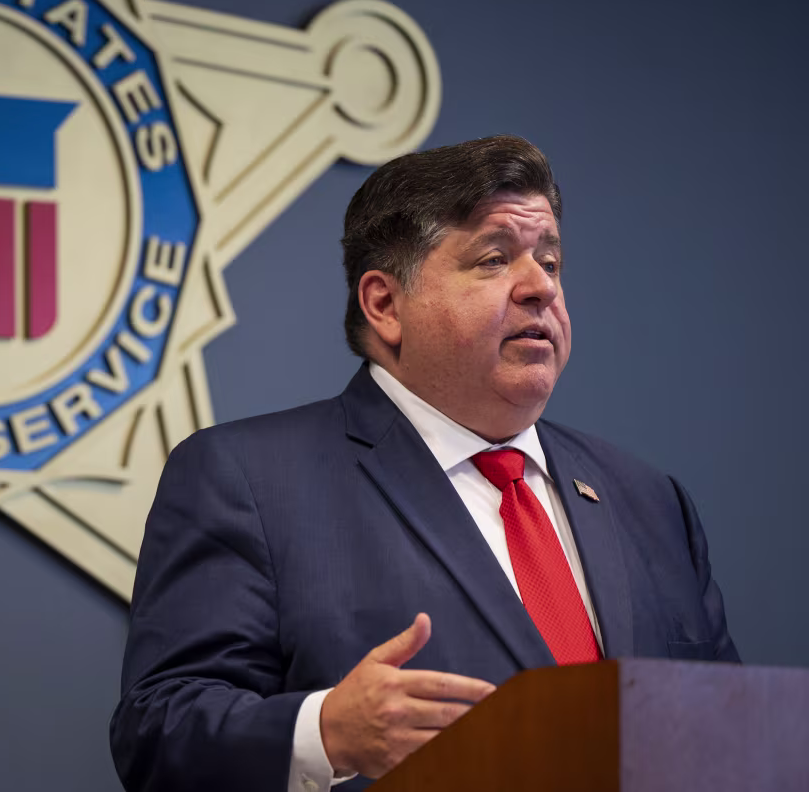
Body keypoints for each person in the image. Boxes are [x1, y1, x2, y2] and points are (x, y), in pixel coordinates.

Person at [108, 136, 739, 792]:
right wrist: (326, 734)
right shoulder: (249, 481)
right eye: (494, 259)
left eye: (550, 260)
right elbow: (158, 731)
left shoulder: (650, 501)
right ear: (385, 305)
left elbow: (733, 736)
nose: (541, 287)